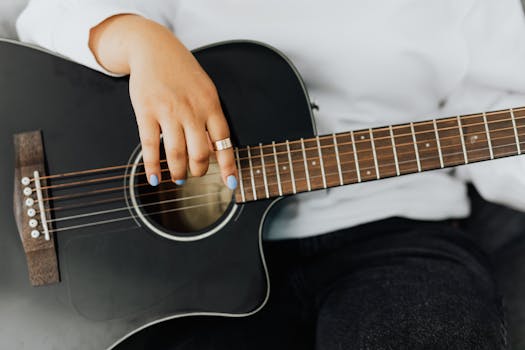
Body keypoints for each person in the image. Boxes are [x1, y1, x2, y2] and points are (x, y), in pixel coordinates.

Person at [16, 1, 525, 348]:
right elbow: (52, 12)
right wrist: (143, 43)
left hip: (394, 230)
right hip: (173, 270)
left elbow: (504, 107)